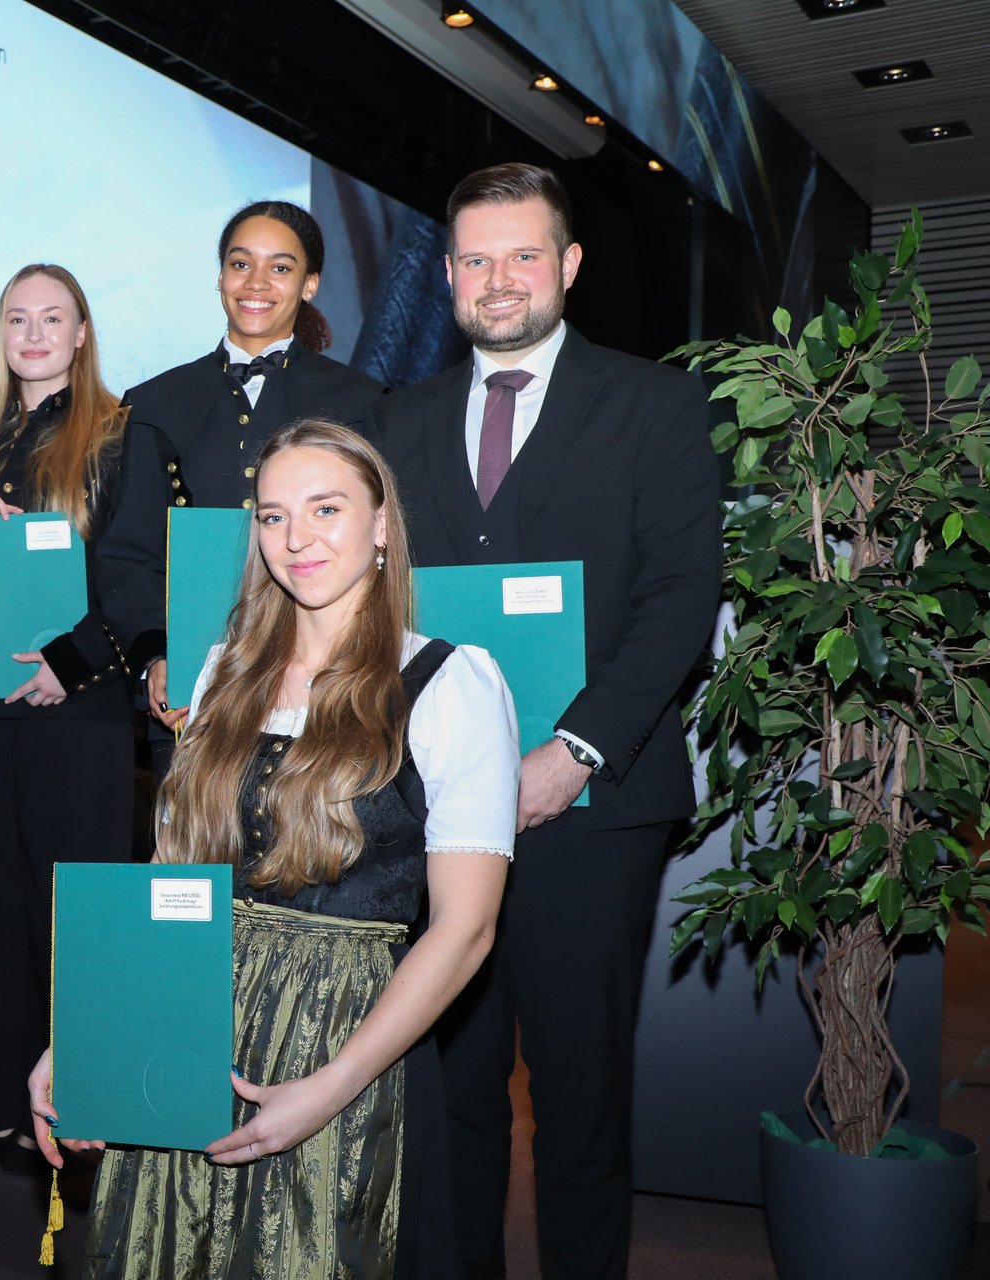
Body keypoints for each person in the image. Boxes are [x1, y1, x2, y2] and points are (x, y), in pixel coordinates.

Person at [32, 419, 520, 1278]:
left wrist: (332, 1088)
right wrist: (89, 1033)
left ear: (380, 526)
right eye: (271, 516)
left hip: (346, 1033)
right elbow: (172, 877)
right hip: (195, 1018)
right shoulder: (224, 668)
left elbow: (466, 930)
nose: (296, 539)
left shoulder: (452, 683)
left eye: (325, 509)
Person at [370, 162, 721, 1279]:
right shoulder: (399, 418)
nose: (499, 279)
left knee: (578, 1106)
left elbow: (681, 595)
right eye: (475, 258)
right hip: (435, 811)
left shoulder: (653, 404)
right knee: (452, 1094)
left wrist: (571, 752)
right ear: (449, 276)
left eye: (524, 254)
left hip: (593, 807)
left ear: (568, 265)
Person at [0, 264, 135, 1174]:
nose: (35, 332)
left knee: (72, 911)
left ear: (82, 333)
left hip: (73, 716)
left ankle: (81, 1106)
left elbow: (135, 577)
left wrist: (69, 663)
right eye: (18, 318)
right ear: (0, 332)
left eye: (54, 318)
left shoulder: (122, 436)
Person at [94, 200, 387, 762]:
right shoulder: (156, 402)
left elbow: (379, 546)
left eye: (280, 267)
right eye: (240, 263)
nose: (256, 282)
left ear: (310, 285)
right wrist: (158, 658)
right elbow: (128, 553)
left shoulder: (361, 404)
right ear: (220, 276)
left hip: (327, 694)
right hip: (190, 703)